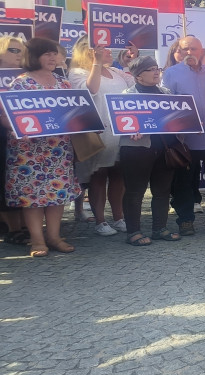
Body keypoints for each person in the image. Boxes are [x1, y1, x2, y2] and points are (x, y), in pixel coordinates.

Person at [5, 37, 81, 257]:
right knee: (32, 197)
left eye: (54, 53)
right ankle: (37, 241)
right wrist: (17, 127)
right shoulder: (21, 83)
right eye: (47, 53)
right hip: (28, 150)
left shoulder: (63, 82)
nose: (53, 57)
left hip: (58, 148)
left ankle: (54, 237)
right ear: (34, 56)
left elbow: (72, 113)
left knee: (57, 193)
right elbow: (6, 115)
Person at [69, 37, 133, 236]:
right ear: (89, 51)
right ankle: (100, 220)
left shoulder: (116, 71)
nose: (109, 51)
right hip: (99, 131)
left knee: (118, 176)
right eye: (103, 48)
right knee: (99, 176)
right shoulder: (78, 72)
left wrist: (131, 61)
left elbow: (135, 84)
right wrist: (96, 63)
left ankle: (118, 216)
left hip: (121, 131)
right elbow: (91, 89)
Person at [162, 35, 205, 237]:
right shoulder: (171, 74)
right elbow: (167, 106)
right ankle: (185, 219)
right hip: (186, 140)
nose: (190, 53)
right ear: (179, 51)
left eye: (194, 49)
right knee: (185, 182)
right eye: (185, 49)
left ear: (201, 51)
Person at [118, 56, 181, 245]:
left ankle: (159, 228)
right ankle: (133, 232)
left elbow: (176, 119)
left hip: (164, 148)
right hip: (136, 149)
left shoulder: (167, 94)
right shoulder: (125, 97)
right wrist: (129, 131)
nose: (156, 72)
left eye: (157, 68)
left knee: (162, 191)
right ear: (138, 76)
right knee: (135, 192)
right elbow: (120, 124)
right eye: (150, 69)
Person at [0, 36, 28, 245]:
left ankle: (27, 225)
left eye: (21, 50)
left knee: (20, 180)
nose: (18, 54)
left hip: (23, 138)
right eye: (13, 50)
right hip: (3, 136)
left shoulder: (28, 76)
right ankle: (13, 228)